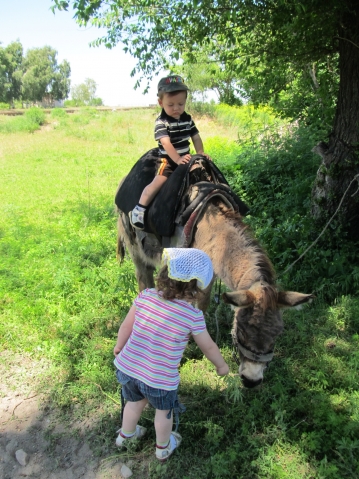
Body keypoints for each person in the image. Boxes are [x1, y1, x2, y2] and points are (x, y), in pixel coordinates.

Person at [113, 248, 229, 461]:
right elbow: (208, 347)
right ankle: (163, 447)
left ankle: (126, 436)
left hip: (129, 367)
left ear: (165, 274)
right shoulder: (192, 316)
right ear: (197, 287)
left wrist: (119, 346)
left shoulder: (145, 296)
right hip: (160, 379)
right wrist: (221, 366)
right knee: (164, 411)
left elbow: (125, 327)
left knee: (135, 403)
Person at [130, 75, 211, 230]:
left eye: (180, 104)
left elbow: (196, 137)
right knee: (158, 182)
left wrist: (200, 152)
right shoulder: (161, 123)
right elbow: (166, 143)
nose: (176, 108)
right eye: (171, 104)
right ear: (161, 103)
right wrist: (177, 158)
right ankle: (139, 209)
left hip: (185, 159)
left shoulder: (187, 119)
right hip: (168, 160)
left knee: (205, 177)